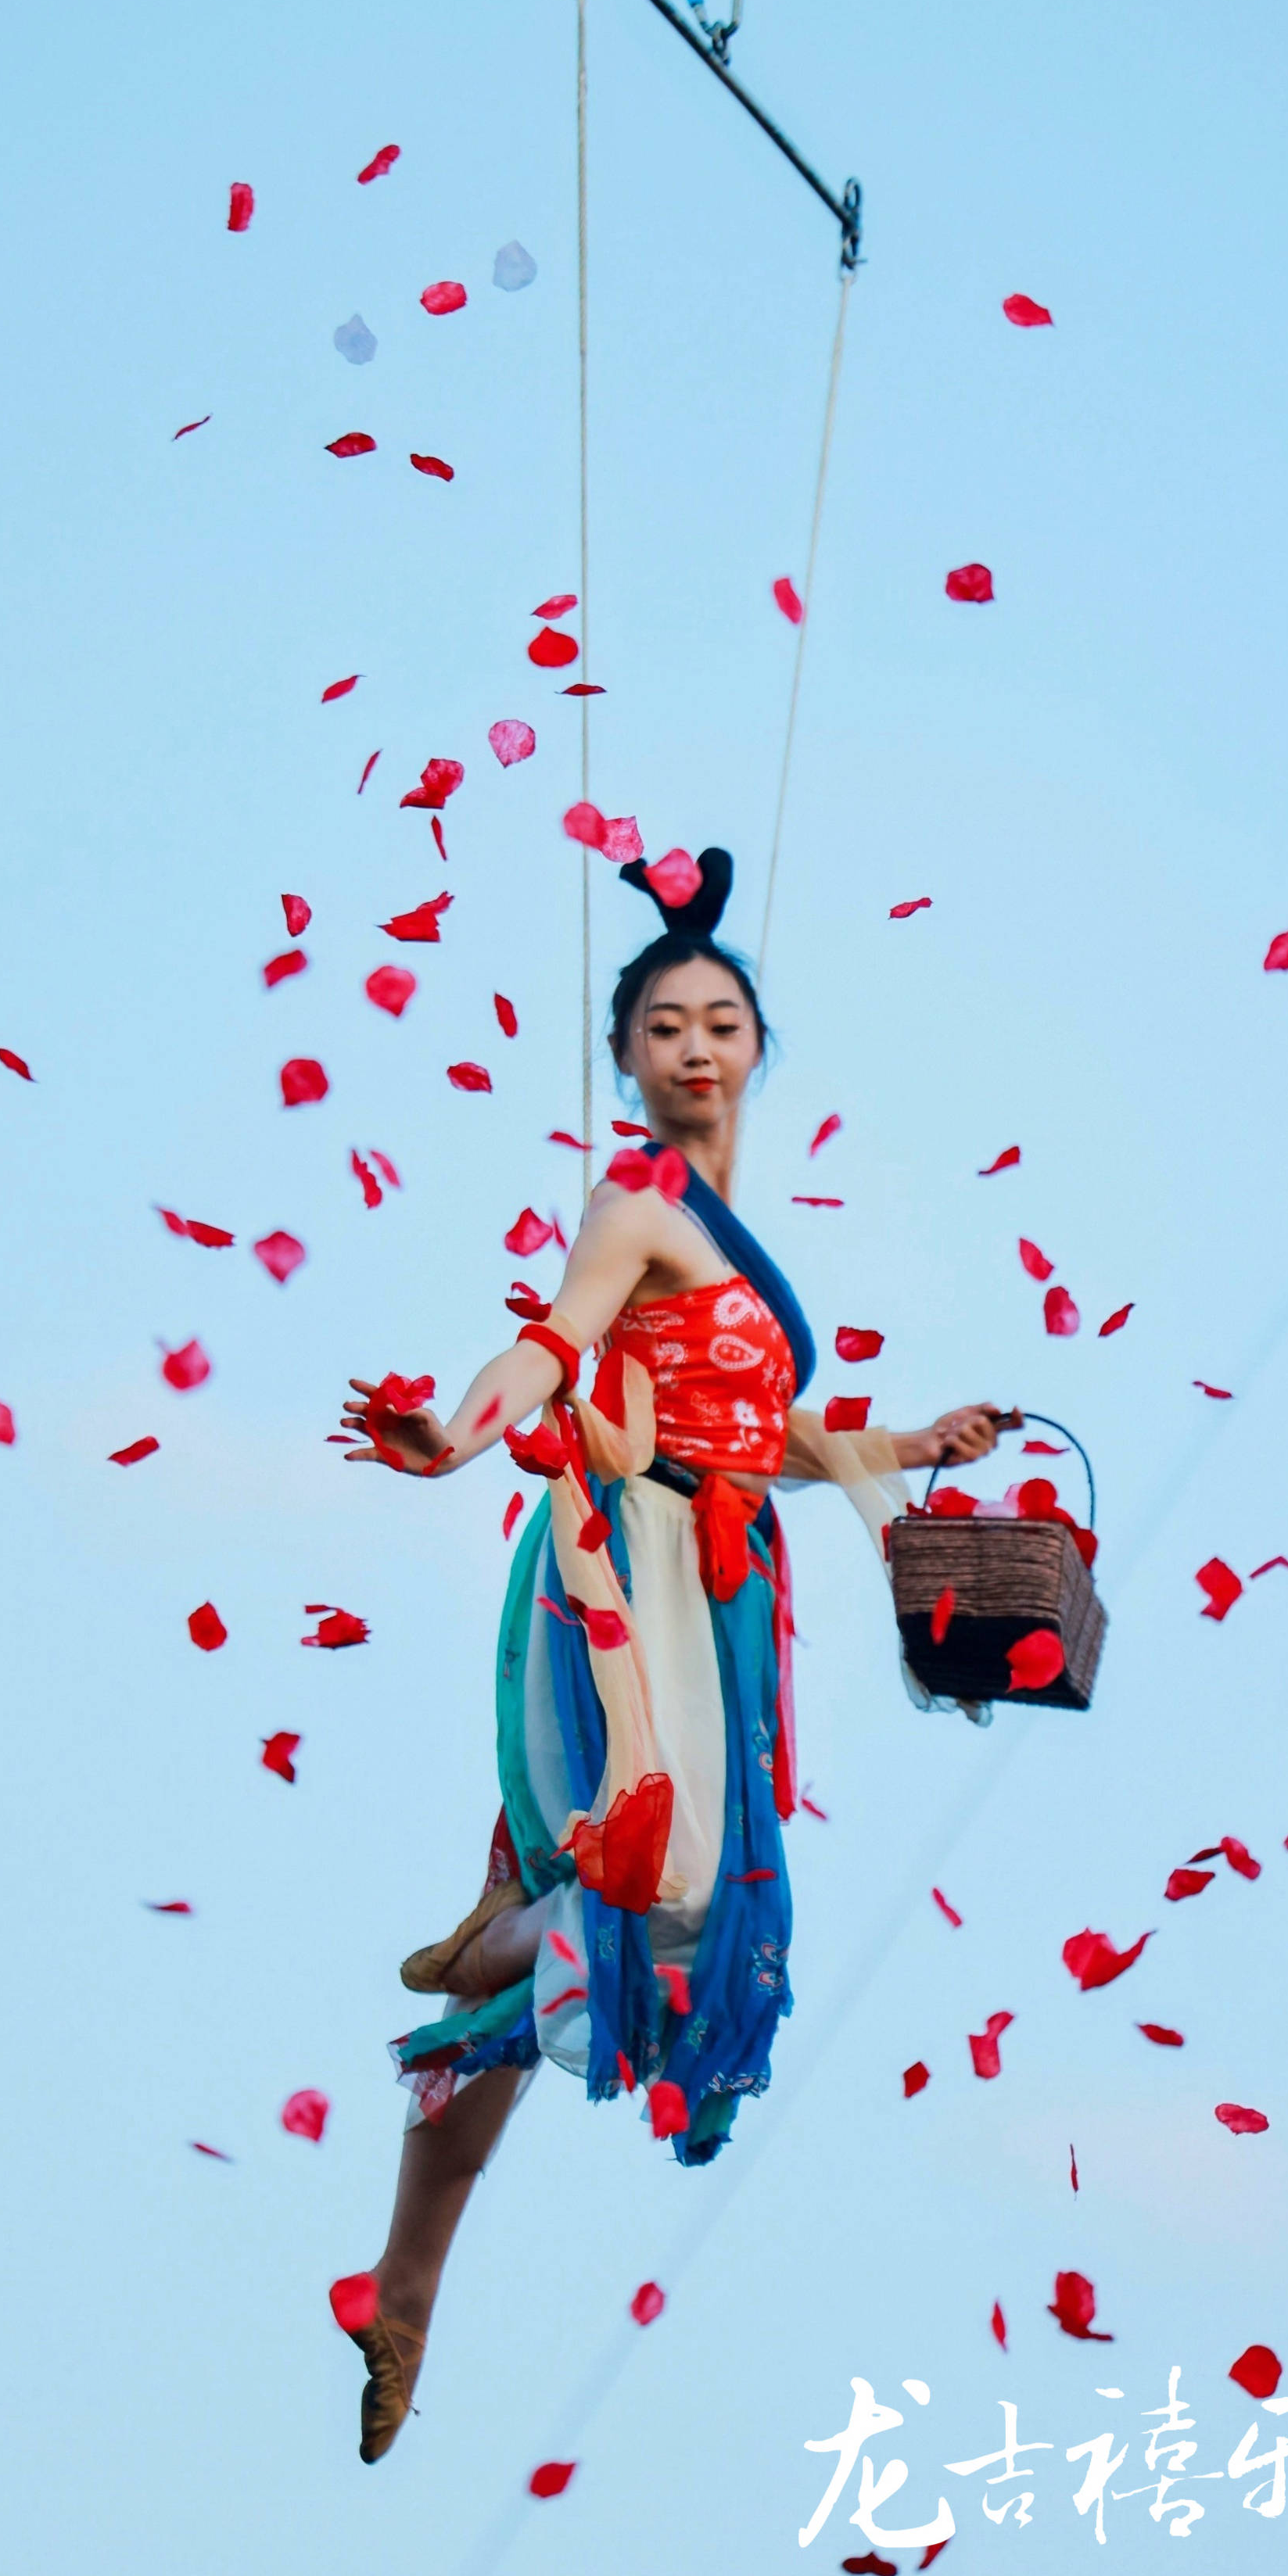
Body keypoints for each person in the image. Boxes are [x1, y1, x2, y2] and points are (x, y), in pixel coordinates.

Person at [332, 847, 1003, 2460]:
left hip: (727, 1583)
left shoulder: (734, 1240)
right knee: (669, 1894)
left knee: (657, 1922)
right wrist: (448, 1432)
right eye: (663, 1028)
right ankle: (513, 1929)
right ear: (624, 1060)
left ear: (756, 1048)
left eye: (721, 1024)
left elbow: (760, 1437)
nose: (696, 1050)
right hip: (628, 1558)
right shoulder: (634, 1202)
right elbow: (550, 1346)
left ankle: (407, 2265)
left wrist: (916, 1438)